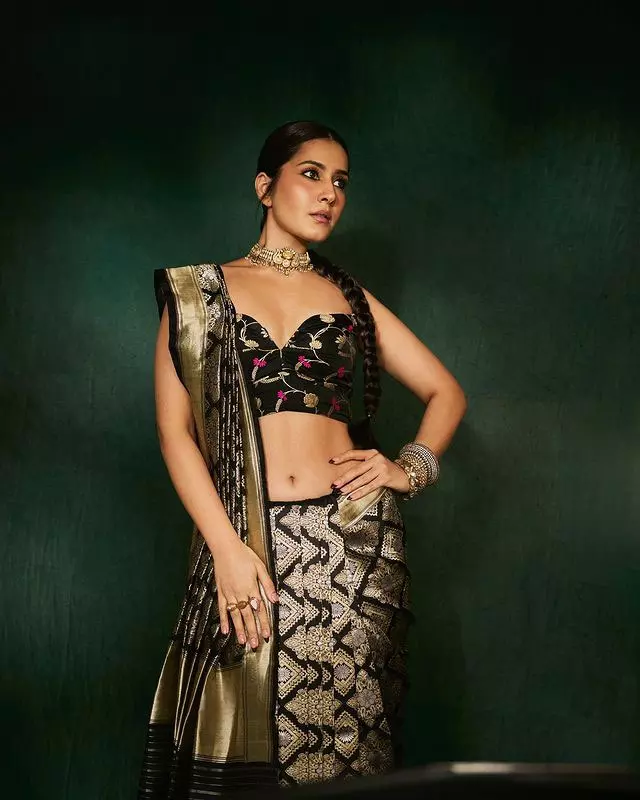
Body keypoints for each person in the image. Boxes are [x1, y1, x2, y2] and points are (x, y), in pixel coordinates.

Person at [137, 120, 467, 797]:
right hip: (243, 539)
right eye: (311, 174)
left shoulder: (347, 297)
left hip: (351, 541)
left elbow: (446, 392)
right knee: (242, 737)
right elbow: (176, 435)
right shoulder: (196, 292)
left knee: (347, 742)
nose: (329, 194)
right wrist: (227, 549)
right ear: (265, 186)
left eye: (341, 182)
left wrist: (406, 468)